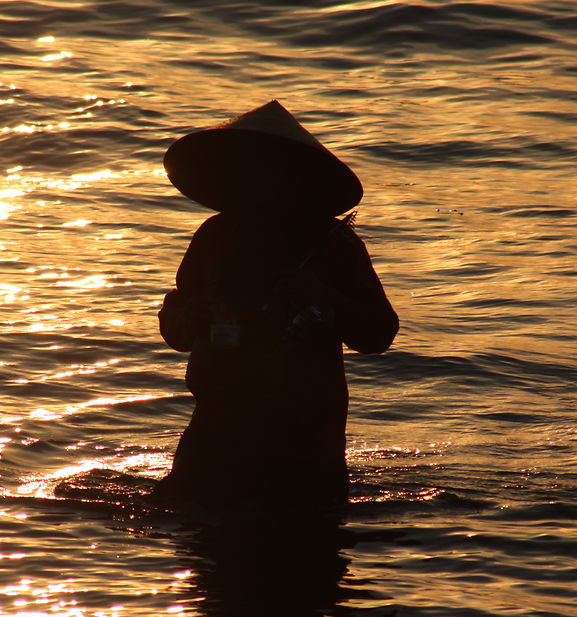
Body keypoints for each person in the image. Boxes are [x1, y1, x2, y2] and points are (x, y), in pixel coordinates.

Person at [151, 100, 398, 514]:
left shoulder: (332, 244)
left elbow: (379, 332)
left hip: (303, 433)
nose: (252, 181)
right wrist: (188, 319)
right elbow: (177, 319)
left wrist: (320, 295)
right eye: (242, 169)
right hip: (218, 424)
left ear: (293, 176)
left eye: (264, 170)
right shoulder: (216, 235)